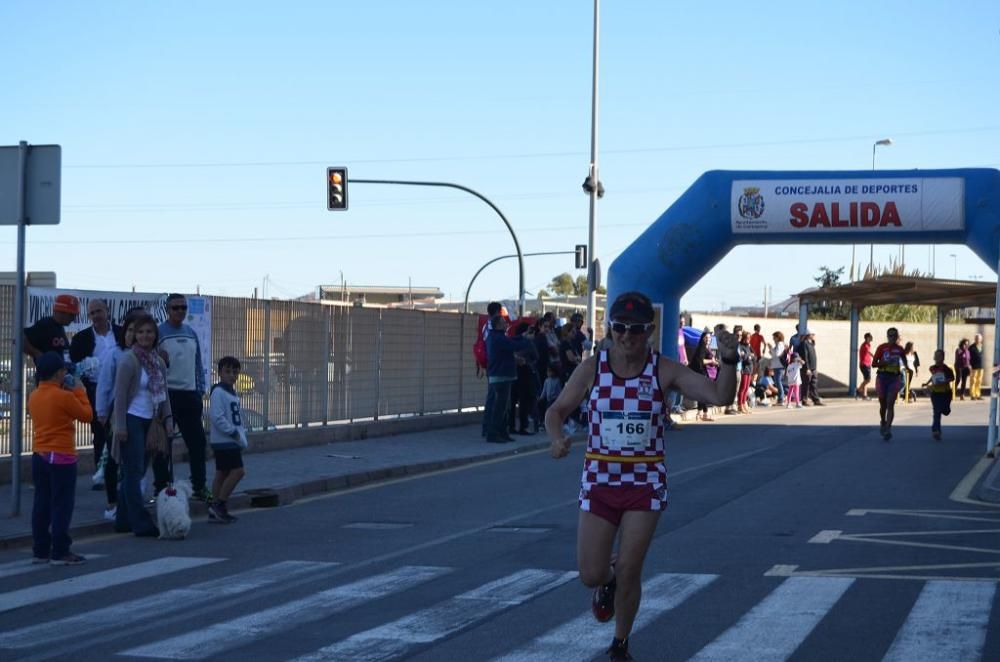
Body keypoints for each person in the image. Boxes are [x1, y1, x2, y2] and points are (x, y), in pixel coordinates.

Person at [545, 292, 737, 662]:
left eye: (636, 330)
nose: (627, 337)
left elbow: (718, 395)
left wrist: (729, 359)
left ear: (649, 331)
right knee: (590, 573)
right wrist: (556, 439)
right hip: (600, 482)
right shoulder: (592, 368)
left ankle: (620, 644)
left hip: (644, 484)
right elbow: (556, 411)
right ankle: (608, 579)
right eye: (620, 328)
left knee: (632, 568)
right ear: (610, 329)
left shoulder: (663, 369)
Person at [28, 352, 93, 565]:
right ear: (58, 373)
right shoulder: (65, 396)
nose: (66, 373)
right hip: (62, 454)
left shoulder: (34, 395)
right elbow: (86, 415)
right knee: (62, 504)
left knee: (42, 503)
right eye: (64, 370)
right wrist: (80, 391)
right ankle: (61, 551)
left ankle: (40, 550)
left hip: (39, 453)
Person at [113, 314, 172, 538]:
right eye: (140, 332)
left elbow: (165, 394)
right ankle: (140, 523)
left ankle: (122, 519)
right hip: (131, 418)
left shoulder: (158, 362)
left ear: (155, 335)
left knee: (136, 471)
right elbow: (119, 396)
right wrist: (120, 426)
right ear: (134, 335)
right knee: (133, 470)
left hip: (152, 420)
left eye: (149, 332)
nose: (145, 336)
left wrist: (168, 421)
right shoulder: (129, 360)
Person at [94, 308, 146, 521]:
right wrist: (102, 412)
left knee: (137, 462)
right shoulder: (116, 355)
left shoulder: (149, 357)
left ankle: (131, 502)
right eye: (131, 330)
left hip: (142, 414)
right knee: (114, 459)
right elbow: (105, 384)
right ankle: (112, 503)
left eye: (139, 330)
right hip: (118, 413)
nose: (134, 335)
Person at [157, 294, 209, 500]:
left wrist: (200, 390)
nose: (180, 311)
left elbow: (198, 363)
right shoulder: (159, 333)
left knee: (197, 444)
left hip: (190, 396)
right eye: (175, 308)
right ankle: (161, 488)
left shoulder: (191, 333)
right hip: (167, 397)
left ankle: (199, 487)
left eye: (183, 307)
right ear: (167, 310)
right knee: (163, 448)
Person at [69, 299, 122, 492]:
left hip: (120, 390)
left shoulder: (121, 333)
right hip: (95, 390)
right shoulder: (81, 338)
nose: (96, 316)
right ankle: (102, 474)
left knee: (121, 431)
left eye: (98, 311)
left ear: (107, 311)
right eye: (92, 313)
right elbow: (73, 366)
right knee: (100, 432)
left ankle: (119, 471)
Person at [208, 356, 248, 523]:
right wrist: (234, 433)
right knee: (238, 471)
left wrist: (241, 435)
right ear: (220, 373)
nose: (232, 375)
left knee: (222, 473)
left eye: (235, 372)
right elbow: (217, 417)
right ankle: (220, 504)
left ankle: (214, 508)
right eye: (227, 371)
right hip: (225, 440)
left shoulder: (232, 392)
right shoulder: (218, 392)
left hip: (229, 440)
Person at [484, 314, 532, 443]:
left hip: (501, 375)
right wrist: (527, 340)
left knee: (504, 407)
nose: (506, 324)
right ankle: (493, 434)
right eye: (504, 322)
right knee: (500, 407)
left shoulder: (496, 337)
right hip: (501, 376)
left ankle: (502, 433)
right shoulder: (498, 338)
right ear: (498, 325)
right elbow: (513, 345)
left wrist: (522, 336)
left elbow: (511, 341)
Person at [23, 294, 79, 365]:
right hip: (48, 375)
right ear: (61, 312)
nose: (73, 319)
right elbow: (19, 338)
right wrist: (38, 354)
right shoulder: (45, 325)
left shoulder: (60, 327)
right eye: (72, 315)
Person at [873, 327, 906, 441]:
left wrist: (905, 368)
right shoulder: (882, 348)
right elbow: (873, 364)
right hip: (882, 377)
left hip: (894, 378)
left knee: (890, 403)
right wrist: (883, 363)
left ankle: (888, 429)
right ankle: (883, 420)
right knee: (883, 405)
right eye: (890, 336)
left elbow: (904, 361)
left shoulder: (900, 349)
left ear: (897, 337)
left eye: (894, 336)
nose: (892, 338)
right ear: (887, 336)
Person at [923, 350, 955, 441]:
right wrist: (927, 383)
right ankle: (936, 431)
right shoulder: (932, 368)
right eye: (936, 356)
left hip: (946, 393)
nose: (937, 358)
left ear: (943, 358)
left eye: (939, 356)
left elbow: (952, 378)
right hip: (936, 393)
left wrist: (943, 381)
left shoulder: (947, 369)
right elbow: (933, 377)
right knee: (937, 411)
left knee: (945, 411)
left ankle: (946, 410)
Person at [689, 331, 718, 421]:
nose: (708, 339)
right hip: (699, 372)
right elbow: (701, 361)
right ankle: (703, 414)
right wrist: (712, 361)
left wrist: (715, 362)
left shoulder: (706, 347)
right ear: (702, 338)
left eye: (709, 338)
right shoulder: (702, 348)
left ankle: (700, 413)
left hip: (702, 372)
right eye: (706, 338)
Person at [796, 330, 823, 406]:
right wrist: (807, 368)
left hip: (813, 368)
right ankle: (804, 400)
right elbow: (805, 356)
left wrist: (814, 341)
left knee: (813, 385)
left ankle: (816, 399)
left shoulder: (811, 343)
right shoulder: (805, 343)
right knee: (806, 385)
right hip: (808, 369)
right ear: (808, 335)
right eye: (813, 334)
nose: (814, 335)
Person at [537, 365, 563, 432]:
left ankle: (554, 425)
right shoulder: (546, 381)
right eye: (548, 371)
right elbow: (544, 391)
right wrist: (541, 398)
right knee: (547, 412)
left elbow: (559, 391)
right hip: (548, 400)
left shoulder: (557, 380)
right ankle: (545, 425)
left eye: (550, 371)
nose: (548, 373)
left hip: (554, 400)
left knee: (552, 413)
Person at [737, 331, 754, 414]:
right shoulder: (741, 346)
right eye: (747, 338)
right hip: (744, 369)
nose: (748, 339)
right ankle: (740, 405)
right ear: (743, 338)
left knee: (746, 388)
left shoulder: (748, 346)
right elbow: (744, 358)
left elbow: (755, 356)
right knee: (742, 388)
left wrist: (749, 355)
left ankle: (744, 403)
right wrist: (749, 356)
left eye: (749, 338)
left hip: (750, 369)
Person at [768, 331, 787, 405]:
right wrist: (771, 350)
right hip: (777, 366)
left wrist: (771, 348)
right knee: (778, 382)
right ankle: (781, 398)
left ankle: (781, 399)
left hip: (779, 366)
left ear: (777, 337)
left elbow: (777, 354)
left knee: (778, 382)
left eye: (774, 337)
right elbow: (774, 354)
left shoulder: (780, 344)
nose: (773, 339)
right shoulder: (778, 344)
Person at [857, 332, 874, 400]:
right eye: (870, 337)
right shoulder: (865, 345)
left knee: (865, 380)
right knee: (868, 380)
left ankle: (864, 395)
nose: (871, 339)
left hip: (867, 364)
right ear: (867, 338)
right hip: (864, 364)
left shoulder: (868, 345)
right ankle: (858, 391)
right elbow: (869, 352)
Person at [969, 334, 984, 401]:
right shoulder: (971, 347)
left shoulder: (981, 346)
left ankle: (978, 394)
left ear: (981, 339)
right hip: (974, 366)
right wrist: (969, 365)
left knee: (979, 381)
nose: (977, 340)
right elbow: (969, 357)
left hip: (981, 366)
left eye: (979, 338)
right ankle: (973, 395)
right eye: (976, 338)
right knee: (973, 381)